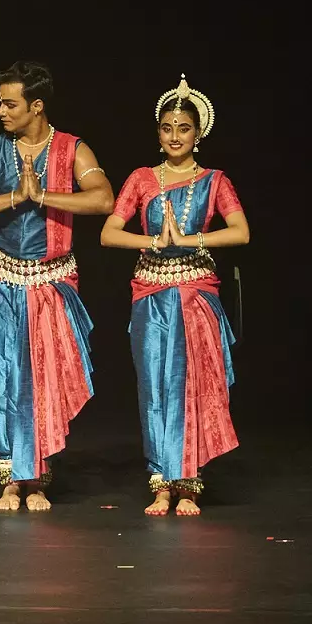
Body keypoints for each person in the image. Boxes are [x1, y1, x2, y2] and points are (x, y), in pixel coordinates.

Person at [0, 59, 111, 511]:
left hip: (52, 280)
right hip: (3, 278)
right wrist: (14, 197)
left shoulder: (72, 149)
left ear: (36, 106)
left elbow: (103, 199)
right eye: (0, 103)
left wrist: (42, 196)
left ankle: (37, 476)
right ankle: (10, 475)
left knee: (46, 377)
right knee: (3, 375)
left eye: (10, 104)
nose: (0, 111)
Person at [101, 75, 250, 516]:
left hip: (195, 292)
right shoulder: (142, 179)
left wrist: (190, 240)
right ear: (158, 132)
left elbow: (241, 231)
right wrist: (153, 242)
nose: (174, 136)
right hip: (151, 293)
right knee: (154, 386)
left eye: (184, 128)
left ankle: (188, 481)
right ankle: (161, 481)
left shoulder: (215, 181)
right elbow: (109, 233)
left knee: (192, 385)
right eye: (167, 128)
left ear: (198, 133)